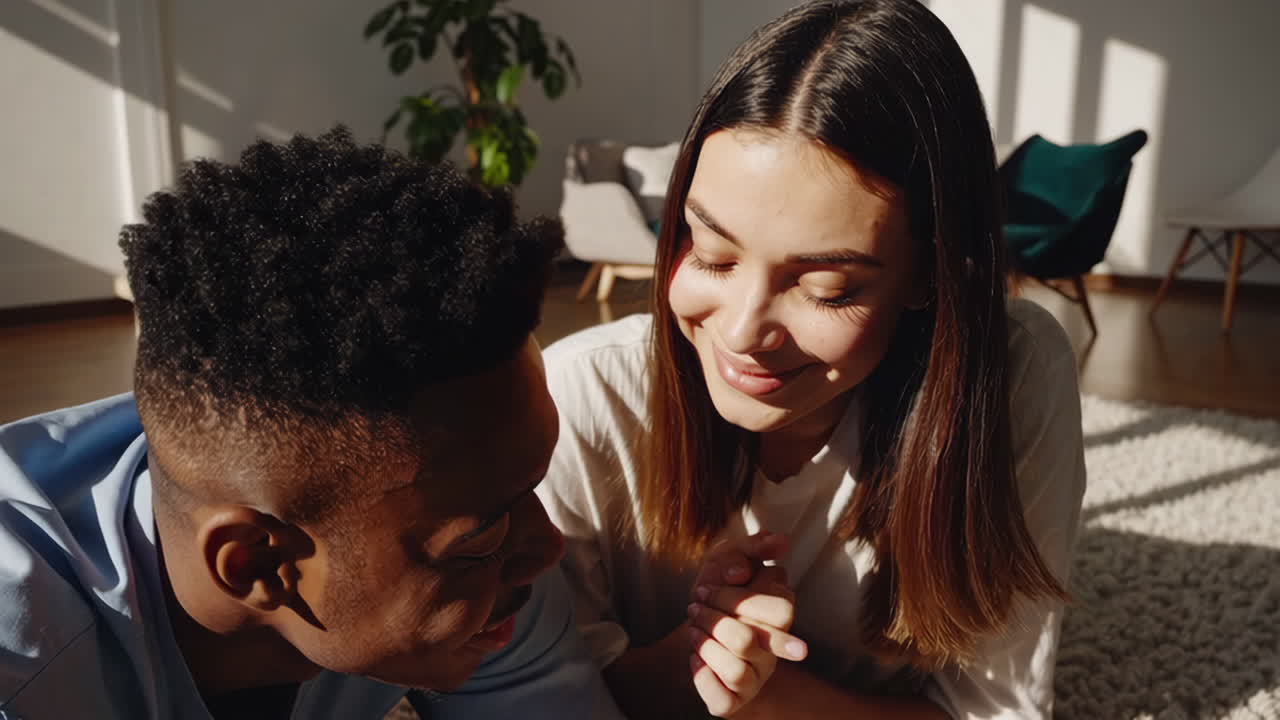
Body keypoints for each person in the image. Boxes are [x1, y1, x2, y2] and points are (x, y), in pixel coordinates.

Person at [538, 0, 1087, 717]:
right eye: (710, 253)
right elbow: (534, 692)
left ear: (932, 275)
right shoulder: (581, 397)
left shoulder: (1010, 377)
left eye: (826, 289)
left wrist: (769, 699)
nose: (742, 330)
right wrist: (695, 659)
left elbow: (992, 709)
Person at [0, 128, 623, 720]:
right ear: (257, 566)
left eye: (529, 491)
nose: (547, 547)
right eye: (482, 537)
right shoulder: (25, 668)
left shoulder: (486, 573)